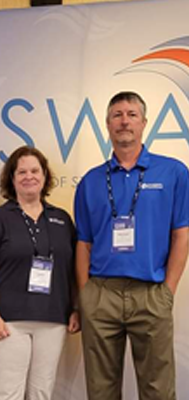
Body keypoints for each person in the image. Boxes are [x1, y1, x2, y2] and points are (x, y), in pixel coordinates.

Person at [74, 91, 189, 400]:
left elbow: (182, 234)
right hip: (101, 294)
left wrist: (168, 291)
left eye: (131, 114)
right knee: (100, 390)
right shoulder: (90, 181)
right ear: (107, 125)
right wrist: (85, 294)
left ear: (144, 123)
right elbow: (83, 243)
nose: (124, 120)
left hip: (151, 293)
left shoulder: (174, 172)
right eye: (117, 115)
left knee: (158, 390)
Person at [0, 146, 79, 400]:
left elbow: (71, 269)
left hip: (53, 319)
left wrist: (75, 308)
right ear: (12, 178)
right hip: (8, 322)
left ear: (44, 175)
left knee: (42, 393)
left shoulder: (62, 219)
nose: (29, 176)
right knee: (9, 393)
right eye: (21, 172)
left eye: (34, 170)